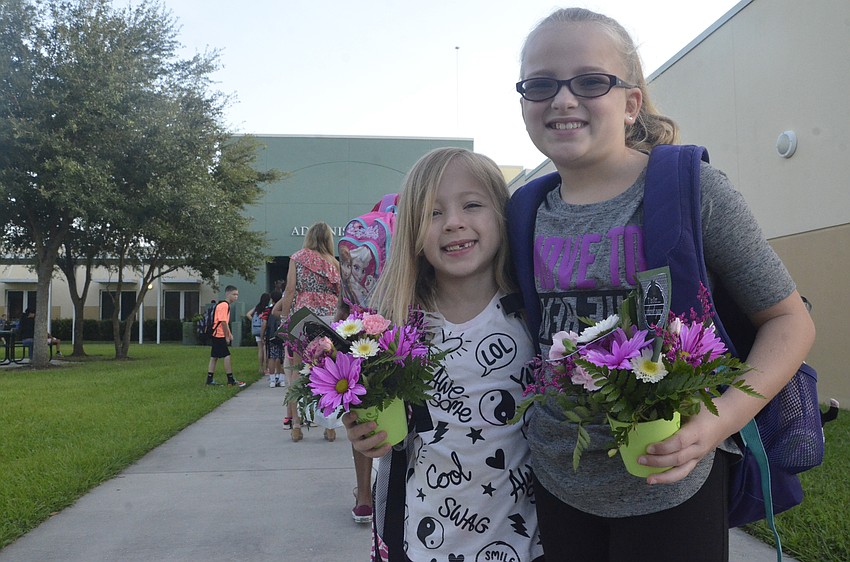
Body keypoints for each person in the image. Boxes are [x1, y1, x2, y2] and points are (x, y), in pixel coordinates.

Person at [510, 8, 816, 561]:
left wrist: (717, 421)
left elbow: (789, 320)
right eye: (540, 84)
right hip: (558, 478)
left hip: (676, 481)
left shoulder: (695, 192)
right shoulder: (523, 213)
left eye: (590, 81)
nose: (562, 99)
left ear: (630, 104)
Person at [343, 148, 544, 562]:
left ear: (502, 215)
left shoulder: (534, 313)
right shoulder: (395, 326)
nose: (453, 222)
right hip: (422, 540)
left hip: (525, 543)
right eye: (433, 213)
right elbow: (378, 427)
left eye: (472, 204)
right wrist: (365, 432)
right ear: (413, 232)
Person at [277, 222, 341, 442]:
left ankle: (296, 425)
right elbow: (340, 293)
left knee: (296, 370)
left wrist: (285, 318)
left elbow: (290, 289)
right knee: (328, 371)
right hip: (329, 316)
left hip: (302, 317)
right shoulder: (334, 262)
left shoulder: (297, 257)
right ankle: (330, 425)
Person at [205, 285, 246, 388]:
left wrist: (229, 333)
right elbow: (223, 322)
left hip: (216, 334)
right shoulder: (224, 305)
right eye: (234, 294)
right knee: (226, 355)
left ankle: (209, 379)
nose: (236, 297)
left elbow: (224, 322)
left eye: (237, 295)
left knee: (214, 357)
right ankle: (230, 379)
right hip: (219, 334)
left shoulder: (222, 305)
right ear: (228, 294)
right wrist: (227, 336)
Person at [246, 292, 272, 377]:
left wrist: (253, 320)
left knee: (260, 349)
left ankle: (260, 368)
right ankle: (266, 368)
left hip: (257, 330)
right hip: (265, 330)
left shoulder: (257, 308)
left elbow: (248, 314)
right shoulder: (268, 308)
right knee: (265, 349)